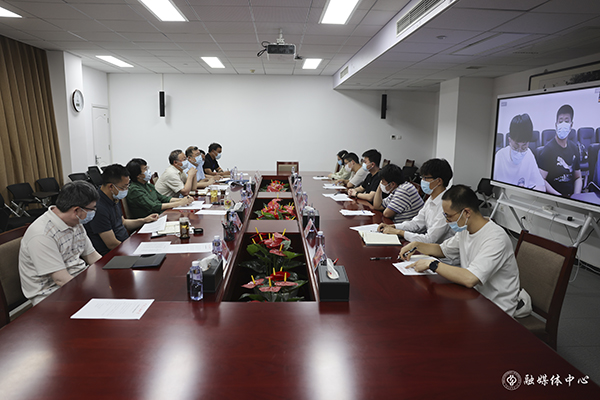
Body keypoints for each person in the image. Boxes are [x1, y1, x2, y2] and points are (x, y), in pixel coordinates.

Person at [399, 185, 520, 316]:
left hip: (496, 308)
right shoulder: (466, 229)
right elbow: (442, 250)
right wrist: (416, 245)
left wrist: (433, 265)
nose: (447, 221)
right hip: (473, 297)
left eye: (449, 216)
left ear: (467, 212)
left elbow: (470, 278)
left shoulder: (495, 238)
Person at [19, 181, 102, 305]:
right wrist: (91, 295)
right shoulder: (42, 234)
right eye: (92, 209)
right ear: (77, 210)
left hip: (78, 281)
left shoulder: (75, 222)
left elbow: (92, 256)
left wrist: (109, 275)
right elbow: (60, 279)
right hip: (52, 295)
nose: (94, 212)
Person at [84, 164, 159, 256]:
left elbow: (123, 222)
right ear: (111, 187)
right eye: (124, 187)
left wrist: (144, 220)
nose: (126, 189)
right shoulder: (98, 207)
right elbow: (111, 244)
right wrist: (136, 250)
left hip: (125, 245)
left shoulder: (114, 198)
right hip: (112, 254)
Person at [378, 158, 454, 244]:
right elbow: (416, 223)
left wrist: (400, 232)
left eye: (425, 178)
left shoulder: (447, 205)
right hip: (428, 246)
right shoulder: (431, 198)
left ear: (439, 181)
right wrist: (394, 226)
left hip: (439, 250)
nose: (422, 181)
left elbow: (430, 239)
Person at [125, 158, 194, 219]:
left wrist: (184, 200)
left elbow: (163, 198)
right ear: (138, 175)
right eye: (145, 169)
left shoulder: (148, 185)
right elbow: (154, 207)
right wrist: (180, 203)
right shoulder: (135, 190)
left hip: (160, 215)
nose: (148, 171)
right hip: (150, 220)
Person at [538, 104, 582, 196]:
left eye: (566, 121)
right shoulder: (548, 150)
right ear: (556, 125)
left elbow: (578, 177)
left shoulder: (574, 148)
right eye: (560, 121)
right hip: (554, 197)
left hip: (571, 196)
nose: (563, 124)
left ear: (571, 125)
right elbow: (541, 179)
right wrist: (559, 197)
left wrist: (576, 195)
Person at [493, 114, 545, 191]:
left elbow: (541, 186)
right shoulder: (500, 156)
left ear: (528, 143)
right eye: (515, 147)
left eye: (524, 148)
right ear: (509, 140)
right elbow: (493, 187)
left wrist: (527, 191)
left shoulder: (529, 155)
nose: (519, 152)